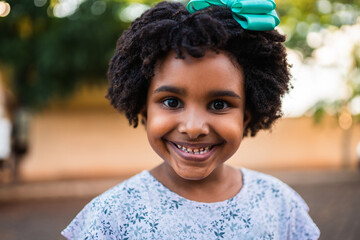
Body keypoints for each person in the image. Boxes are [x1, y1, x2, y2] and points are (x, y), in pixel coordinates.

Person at [62, 1, 320, 239]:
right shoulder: (111, 217)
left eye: (219, 104)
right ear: (144, 110)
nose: (194, 128)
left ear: (246, 117)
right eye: (172, 102)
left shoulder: (279, 204)